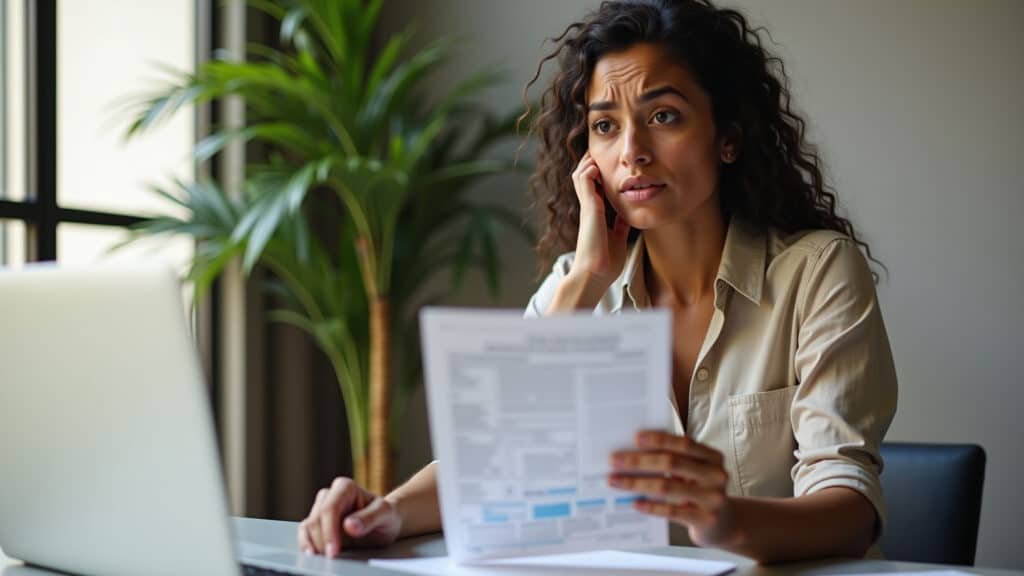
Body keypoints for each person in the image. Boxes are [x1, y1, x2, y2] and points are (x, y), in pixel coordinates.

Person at [296, 0, 897, 564]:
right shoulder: (578, 287)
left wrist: (726, 522)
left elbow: (850, 508)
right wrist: (385, 512)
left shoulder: (818, 272)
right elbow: (491, 459)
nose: (632, 151)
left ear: (729, 137)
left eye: (664, 116)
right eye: (606, 126)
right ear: (588, 157)